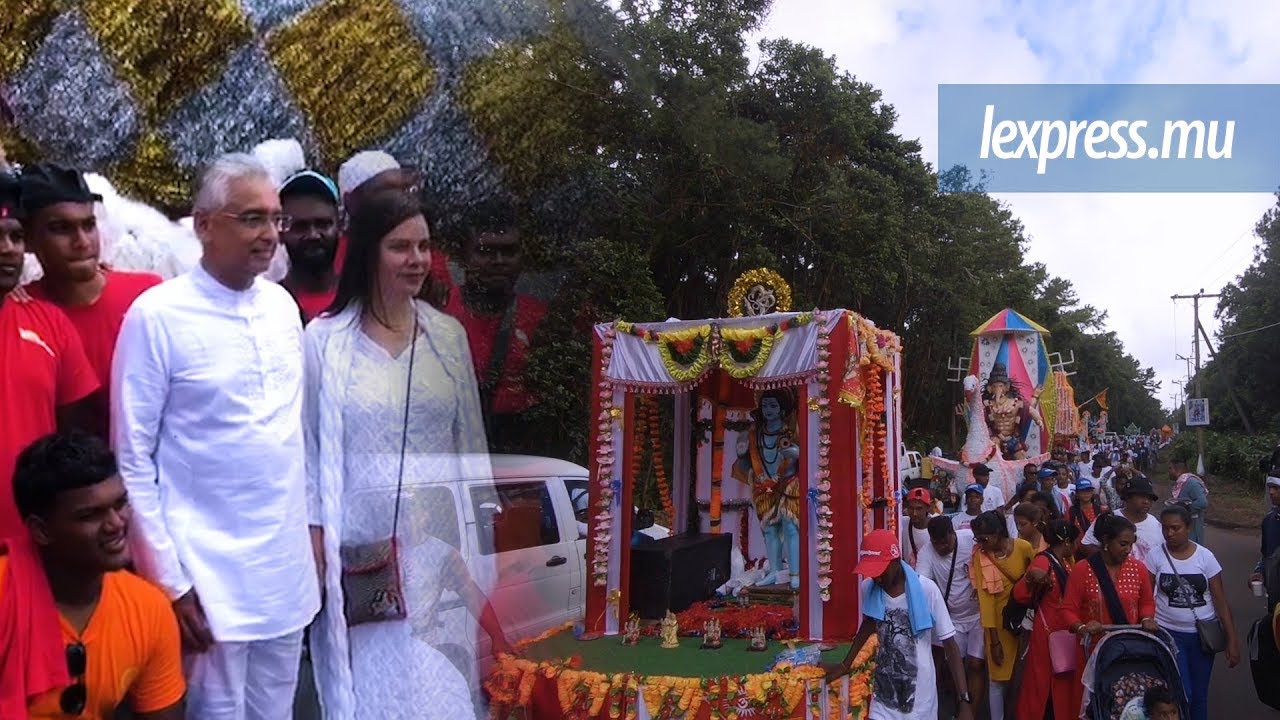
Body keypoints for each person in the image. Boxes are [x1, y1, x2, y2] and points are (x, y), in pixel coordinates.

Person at [113, 153, 319, 720]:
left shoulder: (282, 308)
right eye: (251, 218)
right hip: (205, 581)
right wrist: (170, 582)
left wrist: (312, 545)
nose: (270, 235)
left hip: (283, 573)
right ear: (204, 224)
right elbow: (132, 459)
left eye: (276, 219)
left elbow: (293, 438)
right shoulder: (156, 316)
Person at [304, 189, 509, 719]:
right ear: (368, 251)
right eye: (401, 247)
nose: (417, 260)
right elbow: (307, 452)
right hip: (363, 555)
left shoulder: (448, 337)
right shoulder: (325, 342)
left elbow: (471, 447)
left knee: (444, 687)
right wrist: (316, 537)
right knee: (373, 692)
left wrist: (483, 536)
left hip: (440, 546)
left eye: (424, 246)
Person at [10, 430, 185, 718]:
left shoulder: (149, 609)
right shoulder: (7, 597)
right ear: (41, 530)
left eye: (119, 504)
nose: (116, 524)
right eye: (90, 515)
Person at [20, 163, 162, 443]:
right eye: (61, 229)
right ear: (28, 240)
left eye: (89, 225)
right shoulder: (23, 315)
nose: (82, 242)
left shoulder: (148, 294)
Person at [0, 172, 99, 538]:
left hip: (34, 546)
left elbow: (74, 441)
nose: (8, 248)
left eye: (15, 236)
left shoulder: (49, 323)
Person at [825, 529, 973, 720]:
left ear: (895, 561)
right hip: (884, 698)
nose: (876, 578)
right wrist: (846, 664)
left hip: (919, 702)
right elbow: (869, 622)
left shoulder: (927, 590)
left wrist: (963, 700)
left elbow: (951, 646)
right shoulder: (869, 587)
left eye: (880, 571)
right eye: (871, 572)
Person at [442, 199, 549, 451]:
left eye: (509, 251)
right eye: (486, 251)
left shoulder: (544, 320)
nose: (499, 261)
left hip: (526, 465)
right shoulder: (437, 316)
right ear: (464, 257)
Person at [1145, 505, 1239, 720]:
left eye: (1176, 528)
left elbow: (1221, 601)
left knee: (1199, 694)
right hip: (1168, 635)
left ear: (1189, 527)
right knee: (1180, 692)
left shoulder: (1205, 558)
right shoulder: (1155, 556)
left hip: (1202, 638)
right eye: (1165, 528)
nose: (1170, 534)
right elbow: (1146, 596)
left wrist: (1232, 640)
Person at [1012, 519, 1082, 720]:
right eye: (1074, 542)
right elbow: (1020, 594)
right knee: (1044, 682)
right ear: (1067, 542)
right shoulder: (1044, 561)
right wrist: (1030, 578)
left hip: (1059, 630)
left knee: (1057, 679)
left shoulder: (1063, 562)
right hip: (1047, 632)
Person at [968, 510, 1034, 720]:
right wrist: (993, 642)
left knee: (1024, 677)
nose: (980, 543)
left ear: (997, 533)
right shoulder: (980, 556)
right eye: (977, 539)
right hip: (997, 625)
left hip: (1024, 622)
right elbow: (986, 601)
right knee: (996, 680)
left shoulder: (1023, 547)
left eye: (983, 538)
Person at [917, 517, 986, 716]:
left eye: (945, 542)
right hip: (951, 618)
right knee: (954, 669)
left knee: (976, 664)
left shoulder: (970, 540)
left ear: (953, 534)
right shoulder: (926, 553)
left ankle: (970, 713)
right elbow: (922, 584)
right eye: (936, 543)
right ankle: (959, 708)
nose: (941, 547)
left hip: (977, 615)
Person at [1065, 514, 1158, 642]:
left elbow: (1147, 602)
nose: (1128, 550)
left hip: (1130, 645)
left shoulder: (1138, 568)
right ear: (1106, 540)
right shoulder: (1082, 569)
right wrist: (1081, 627)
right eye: (1123, 544)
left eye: (1131, 545)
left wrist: (1147, 618)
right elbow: (1068, 609)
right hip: (1093, 645)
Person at [277, 169, 341, 323]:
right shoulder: (269, 307)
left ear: (339, 225)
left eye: (323, 224)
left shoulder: (363, 301)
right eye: (300, 226)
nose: (313, 235)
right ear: (280, 233)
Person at [1080, 477, 1163, 565]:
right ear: (1127, 497)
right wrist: (1111, 560)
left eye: (1150, 498)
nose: (1146, 501)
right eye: (1141, 497)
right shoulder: (1109, 519)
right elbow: (1086, 545)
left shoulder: (1157, 526)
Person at [1251, 472, 1280, 611]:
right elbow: (1266, 553)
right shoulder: (1269, 520)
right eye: (1270, 487)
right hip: (1274, 594)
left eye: (1276, 487)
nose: (1271, 492)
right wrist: (1260, 570)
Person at [1168, 459, 1209, 545]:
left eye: (1170, 468)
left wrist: (1184, 511)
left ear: (1177, 470)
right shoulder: (1181, 483)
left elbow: (1202, 502)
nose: (1169, 471)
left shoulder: (1191, 483)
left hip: (1193, 528)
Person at [899, 487, 935, 568]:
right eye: (911, 508)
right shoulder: (902, 523)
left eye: (919, 508)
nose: (914, 513)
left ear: (928, 507)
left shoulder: (936, 527)